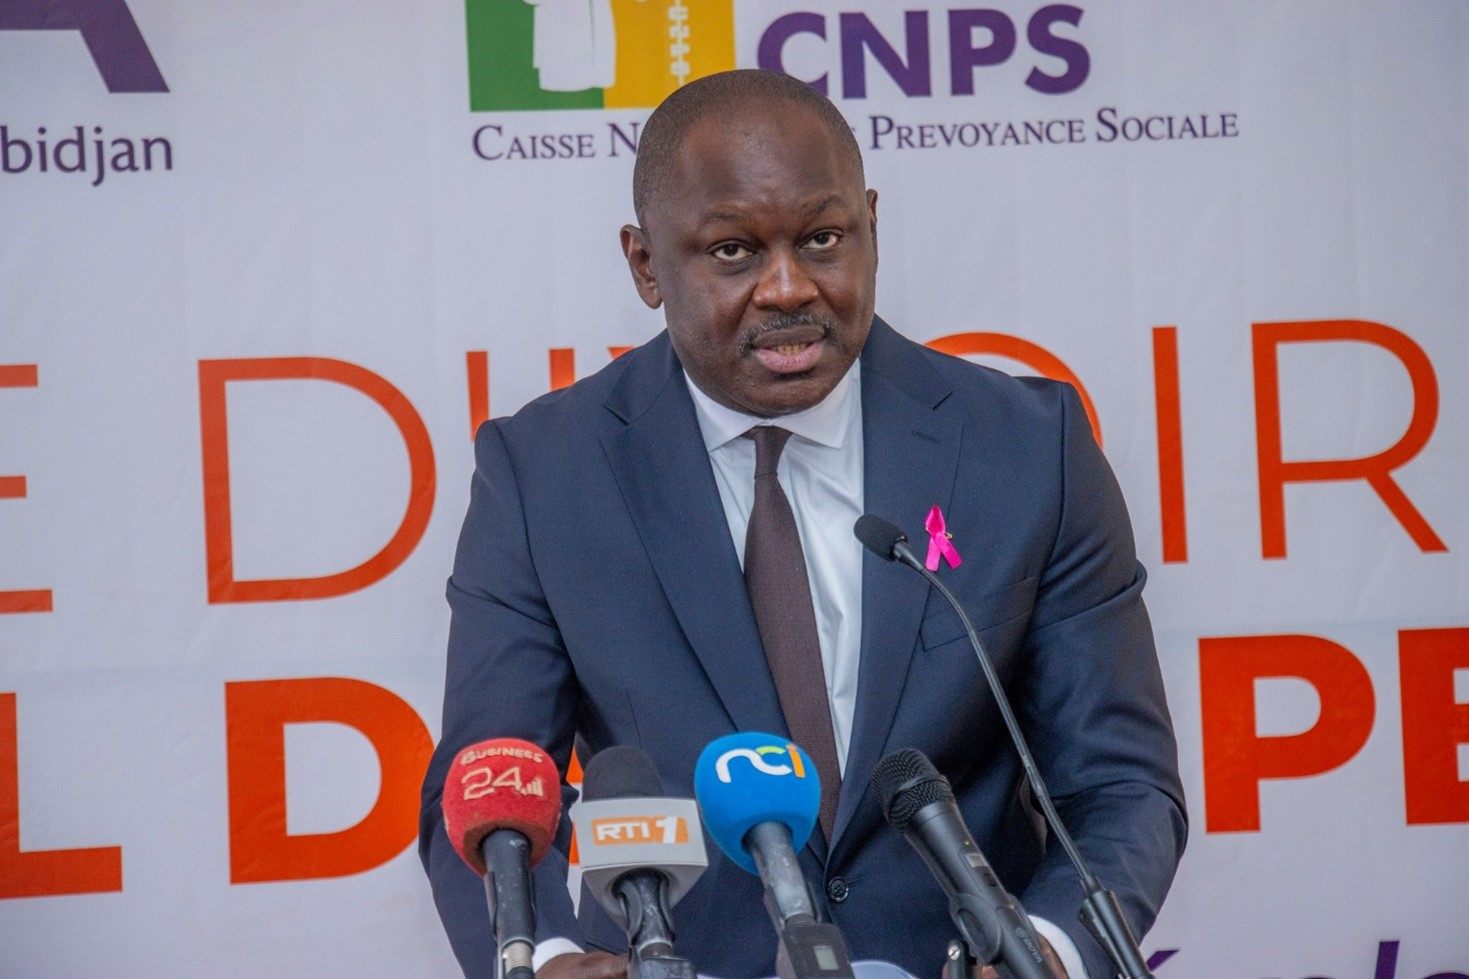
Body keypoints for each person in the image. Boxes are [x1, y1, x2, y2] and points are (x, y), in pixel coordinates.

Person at [420, 69, 1186, 978]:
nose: (787, 288)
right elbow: (488, 788)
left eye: (822, 238)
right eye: (732, 251)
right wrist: (544, 957)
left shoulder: (1026, 448)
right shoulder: (544, 473)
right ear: (645, 265)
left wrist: (1048, 949)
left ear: (870, 225)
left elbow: (1119, 782)